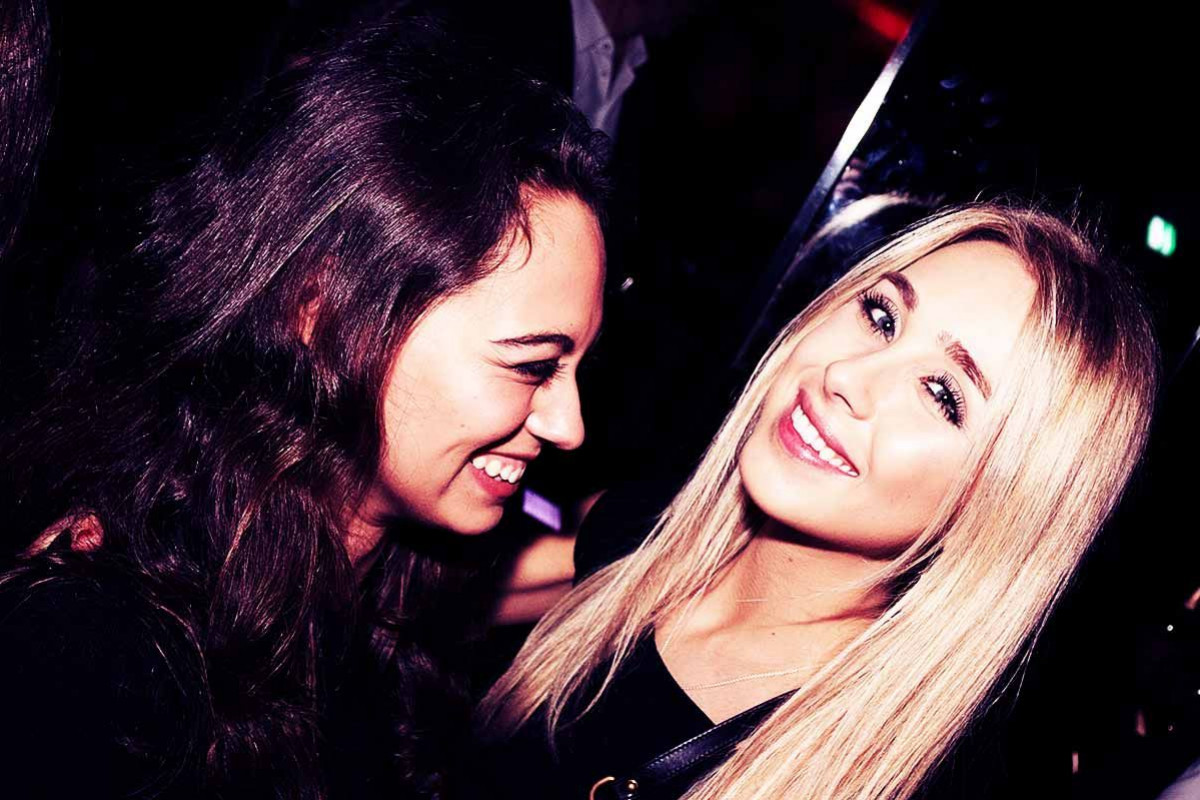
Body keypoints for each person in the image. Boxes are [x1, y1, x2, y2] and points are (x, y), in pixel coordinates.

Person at [0, 17, 607, 799]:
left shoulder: (398, 586)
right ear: (320, 309)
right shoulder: (95, 648)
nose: (569, 426)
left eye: (579, 367)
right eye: (532, 365)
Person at [475, 202, 1159, 799]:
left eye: (942, 394)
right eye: (881, 316)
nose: (846, 377)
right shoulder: (639, 532)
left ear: (1005, 507)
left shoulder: (919, 780)